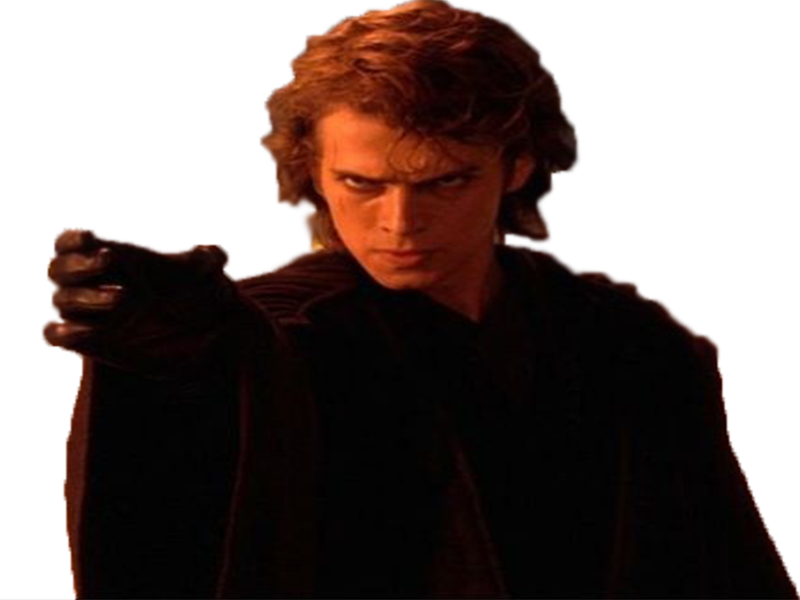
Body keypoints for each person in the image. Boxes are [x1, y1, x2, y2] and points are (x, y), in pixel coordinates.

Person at [43, 0, 797, 598]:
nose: (400, 223)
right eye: (362, 184)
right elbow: (181, 509)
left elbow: (721, 564)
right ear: (314, 171)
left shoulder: (627, 341)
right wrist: (162, 369)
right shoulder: (269, 332)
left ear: (516, 166)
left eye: (445, 181)